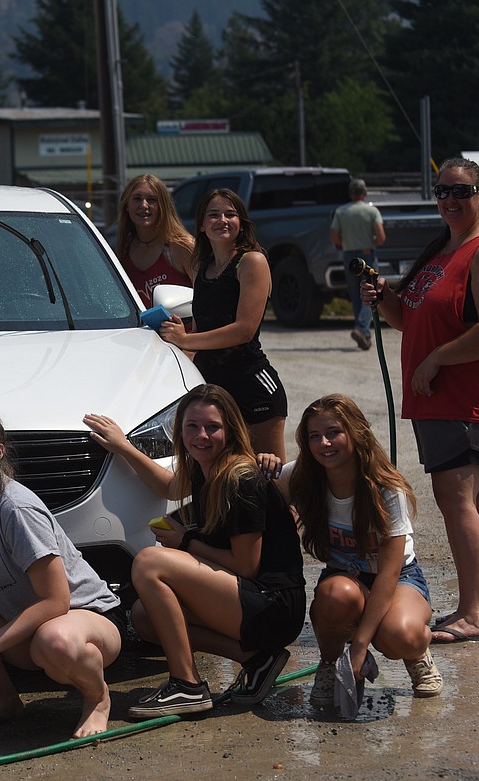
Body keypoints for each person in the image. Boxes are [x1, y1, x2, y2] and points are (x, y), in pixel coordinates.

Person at [361, 157, 479, 643]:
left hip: (467, 396)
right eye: (442, 192)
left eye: (461, 191)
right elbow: (413, 322)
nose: (450, 200)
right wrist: (387, 297)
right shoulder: (442, 251)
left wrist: (436, 362)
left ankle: (471, 612)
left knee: (457, 500)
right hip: (443, 397)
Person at [83, 384, 305, 719]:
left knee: (148, 563)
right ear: (180, 430)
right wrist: (123, 446)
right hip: (251, 602)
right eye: (192, 427)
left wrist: (185, 542)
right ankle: (257, 659)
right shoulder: (206, 469)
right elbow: (168, 486)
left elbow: (246, 566)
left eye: (212, 427)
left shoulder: (240, 478)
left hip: (274, 605)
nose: (202, 435)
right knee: (145, 618)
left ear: (230, 430)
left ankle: (186, 685)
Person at [0, 385, 125, 738]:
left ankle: (97, 698)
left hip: (85, 620)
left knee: (55, 642)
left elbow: (56, 601)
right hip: (29, 629)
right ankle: (4, 702)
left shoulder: (15, 509)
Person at [259, 394, 443, 706]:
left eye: (333, 433)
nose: (324, 444)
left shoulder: (386, 488)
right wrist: (262, 465)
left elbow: (390, 572)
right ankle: (329, 664)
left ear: (356, 433)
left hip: (396, 580)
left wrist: (359, 646)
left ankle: (417, 654)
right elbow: (245, 489)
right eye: (314, 436)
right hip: (344, 579)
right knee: (335, 596)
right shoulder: (302, 476)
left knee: (401, 636)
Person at [157, 189, 289, 460]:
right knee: (218, 478)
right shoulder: (203, 268)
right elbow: (201, 328)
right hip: (212, 388)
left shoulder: (252, 261)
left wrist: (185, 339)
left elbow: (244, 330)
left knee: (269, 479)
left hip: (252, 386)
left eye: (231, 214)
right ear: (202, 226)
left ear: (242, 223)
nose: (223, 220)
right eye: (214, 215)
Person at [113, 174, 196, 308]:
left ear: (163, 206)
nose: (144, 205)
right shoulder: (122, 250)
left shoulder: (182, 246)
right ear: (126, 205)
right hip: (137, 329)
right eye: (137, 199)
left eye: (152, 200)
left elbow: (207, 299)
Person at [330, 178, 386, 351]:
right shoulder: (371, 211)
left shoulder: (341, 211)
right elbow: (381, 236)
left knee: (356, 294)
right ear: (365, 193)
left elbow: (333, 236)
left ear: (350, 193)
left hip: (348, 255)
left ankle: (365, 335)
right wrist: (372, 242)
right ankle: (362, 328)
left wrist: (343, 244)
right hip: (367, 253)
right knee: (370, 292)